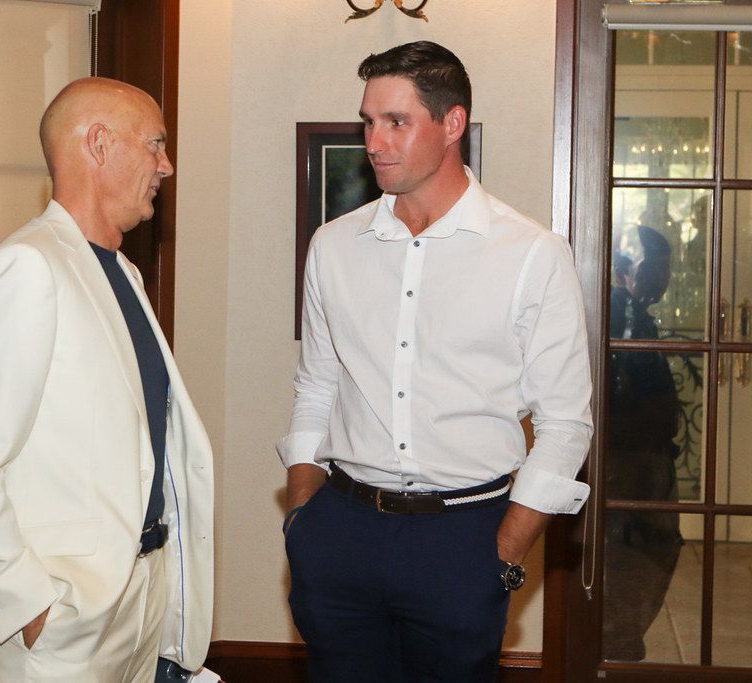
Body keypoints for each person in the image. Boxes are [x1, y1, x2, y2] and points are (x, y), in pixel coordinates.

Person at [278, 41, 593, 682]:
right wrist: (304, 517)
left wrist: (503, 550)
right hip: (340, 530)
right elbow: (317, 384)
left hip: (463, 536)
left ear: (452, 125)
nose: (375, 141)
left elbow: (565, 426)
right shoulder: (335, 245)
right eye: (369, 121)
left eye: (397, 122)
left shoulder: (532, 253)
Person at [0, 77, 214, 682]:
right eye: (156, 145)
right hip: (63, 627)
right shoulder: (25, 270)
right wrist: (32, 607)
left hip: (140, 605)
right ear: (99, 144)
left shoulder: (125, 276)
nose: (166, 165)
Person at [604, 225, 683, 661]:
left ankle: (623, 640)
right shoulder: (623, 314)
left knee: (654, 548)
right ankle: (618, 644)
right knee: (634, 555)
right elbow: (621, 397)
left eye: (666, 269)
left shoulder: (637, 311)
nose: (662, 279)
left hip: (646, 457)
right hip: (630, 461)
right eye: (653, 268)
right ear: (623, 271)